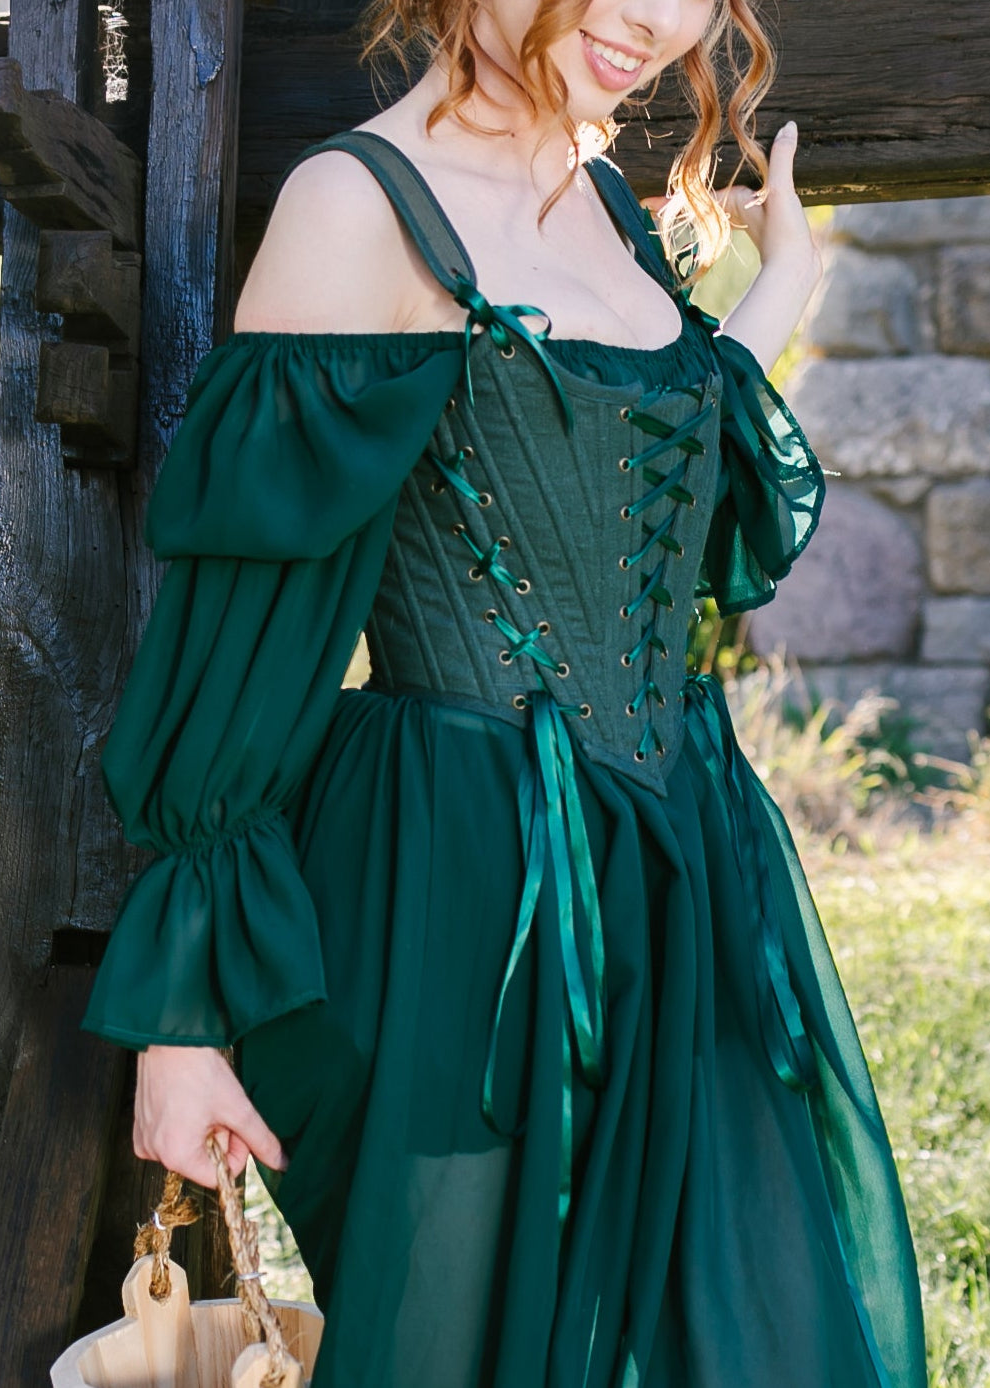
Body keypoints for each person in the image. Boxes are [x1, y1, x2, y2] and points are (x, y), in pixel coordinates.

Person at [81, 0, 928, 1381]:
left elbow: (643, 488)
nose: (652, 20)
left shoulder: (594, 187)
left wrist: (783, 286)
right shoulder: (358, 208)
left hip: (688, 864)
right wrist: (180, 1021)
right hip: (477, 897)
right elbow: (242, 640)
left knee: (740, 1325)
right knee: (476, 1344)